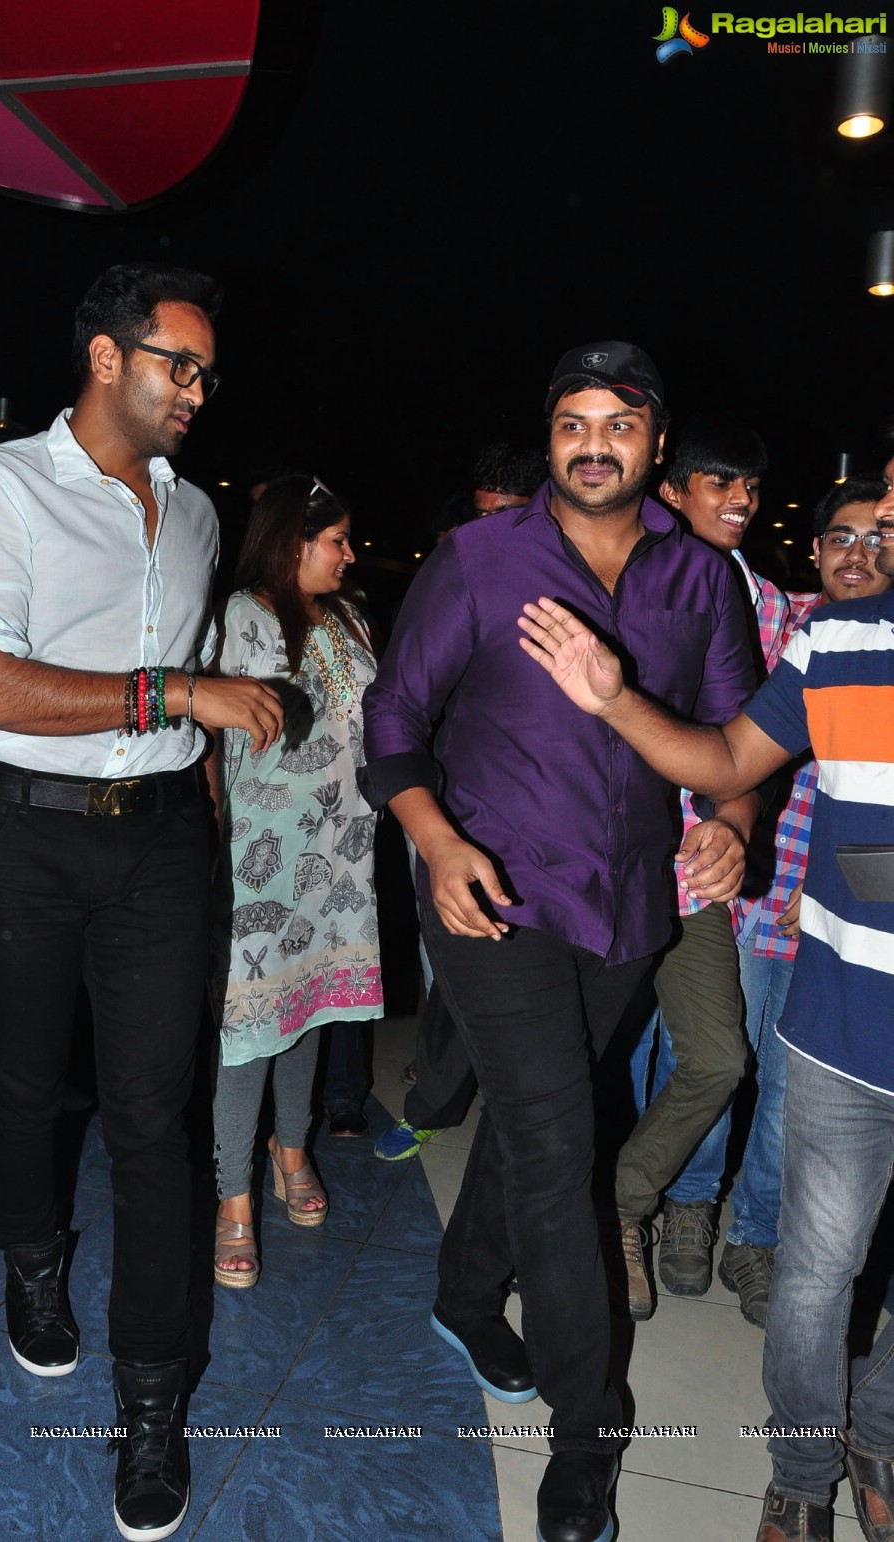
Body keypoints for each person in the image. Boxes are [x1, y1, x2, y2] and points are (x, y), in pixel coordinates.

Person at [360, 340, 758, 1542]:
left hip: (632, 908)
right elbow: (394, 718)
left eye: (617, 424)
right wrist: (433, 840)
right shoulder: (482, 560)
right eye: (572, 422)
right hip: (493, 894)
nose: (593, 442)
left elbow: (740, 743)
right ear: (550, 440)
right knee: (555, 1138)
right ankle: (589, 1438)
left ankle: (464, 1291)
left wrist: (733, 825)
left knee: (549, 1115)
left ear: (655, 442)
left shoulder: (702, 583)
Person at [0, 263, 285, 1542]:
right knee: (25, 1084)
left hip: (160, 848)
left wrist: (196, 759)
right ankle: (30, 1256)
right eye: (177, 364)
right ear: (104, 357)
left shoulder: (192, 514)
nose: (198, 389)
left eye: (206, 372)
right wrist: (176, 697)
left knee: (155, 1118)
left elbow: (171, 681)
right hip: (23, 835)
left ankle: (150, 1400)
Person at [517, 484, 894, 1542]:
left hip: (788, 934)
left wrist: (857, 865)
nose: (878, 538)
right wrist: (612, 696)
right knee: (821, 1270)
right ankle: (803, 1475)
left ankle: (883, 1434)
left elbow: (848, 847)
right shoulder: (839, 640)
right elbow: (729, 762)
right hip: (841, 1018)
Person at [652, 473, 892, 1330]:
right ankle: (687, 1207)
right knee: (722, 1060)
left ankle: (754, 1236)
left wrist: (831, 886)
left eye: (878, 538)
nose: (857, 555)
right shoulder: (777, 620)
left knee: (793, 1088)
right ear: (815, 546)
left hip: (843, 917)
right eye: (840, 538)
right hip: (750, 891)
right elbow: (710, 738)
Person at [616, 415, 781, 1317]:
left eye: (749, 486)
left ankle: (624, 1200)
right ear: (670, 489)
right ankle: (602, 1232)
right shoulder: (625, 571)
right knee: (599, 1058)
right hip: (603, 860)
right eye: (718, 481)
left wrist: (735, 815)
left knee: (715, 1057)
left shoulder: (765, 598)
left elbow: (756, 740)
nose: (741, 500)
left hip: (695, 870)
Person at [209, 473, 383, 1285]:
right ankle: (232, 1195)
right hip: (260, 854)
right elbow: (215, 746)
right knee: (249, 1025)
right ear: (291, 541)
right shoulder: (243, 618)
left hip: (341, 849)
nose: (350, 554)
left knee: (309, 1007)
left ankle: (291, 1151)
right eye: (336, 540)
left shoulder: (347, 619)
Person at [377, 441, 547, 1161]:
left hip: (548, 818)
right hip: (451, 808)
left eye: (505, 516)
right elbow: (394, 705)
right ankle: (435, 1097)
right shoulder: (453, 577)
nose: (489, 531)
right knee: (454, 961)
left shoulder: (568, 585)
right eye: (480, 517)